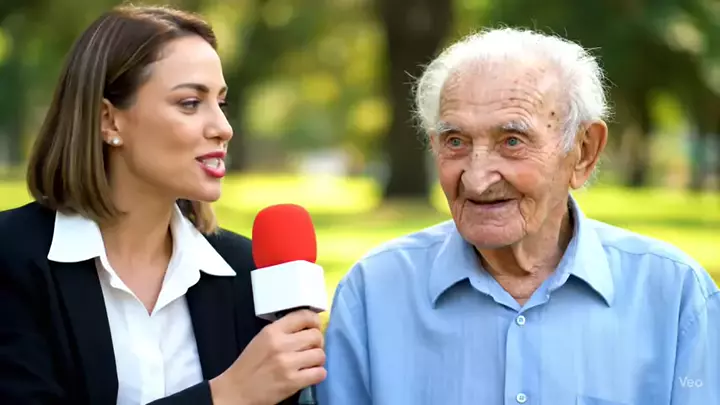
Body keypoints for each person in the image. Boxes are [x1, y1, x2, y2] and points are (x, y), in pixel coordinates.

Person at [317, 28, 720, 405]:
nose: (477, 179)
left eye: (512, 141)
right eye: (455, 142)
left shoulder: (675, 296)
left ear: (583, 152)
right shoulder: (374, 293)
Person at [0, 5, 326, 405]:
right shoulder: (11, 258)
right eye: (190, 103)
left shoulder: (246, 274)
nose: (223, 128)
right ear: (109, 120)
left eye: (221, 103)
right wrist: (228, 394)